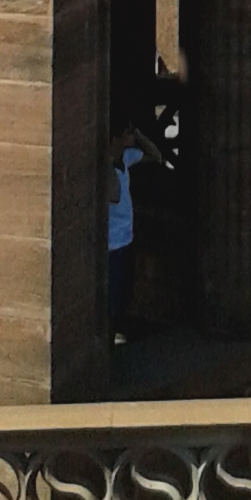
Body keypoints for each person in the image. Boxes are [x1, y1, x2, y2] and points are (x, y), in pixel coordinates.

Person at [107, 118, 165, 342]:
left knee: (123, 295)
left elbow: (156, 156)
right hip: (112, 244)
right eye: (127, 135)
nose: (131, 139)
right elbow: (113, 195)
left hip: (125, 239)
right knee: (111, 301)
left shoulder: (125, 158)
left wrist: (139, 135)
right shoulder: (108, 164)